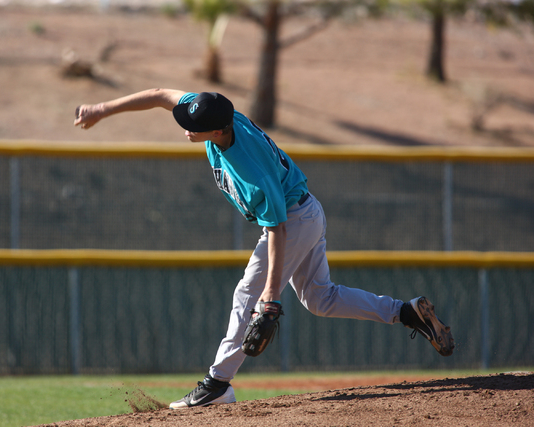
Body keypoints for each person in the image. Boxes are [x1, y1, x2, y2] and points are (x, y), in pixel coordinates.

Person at [74, 88, 455, 409]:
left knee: (249, 292)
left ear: (220, 127)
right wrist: (103, 109)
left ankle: (218, 383)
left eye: (195, 127)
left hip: (294, 219)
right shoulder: (218, 116)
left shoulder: (250, 169)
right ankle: (406, 312)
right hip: (307, 210)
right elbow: (159, 95)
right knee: (320, 299)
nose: (187, 130)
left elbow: (278, 230)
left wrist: (270, 298)